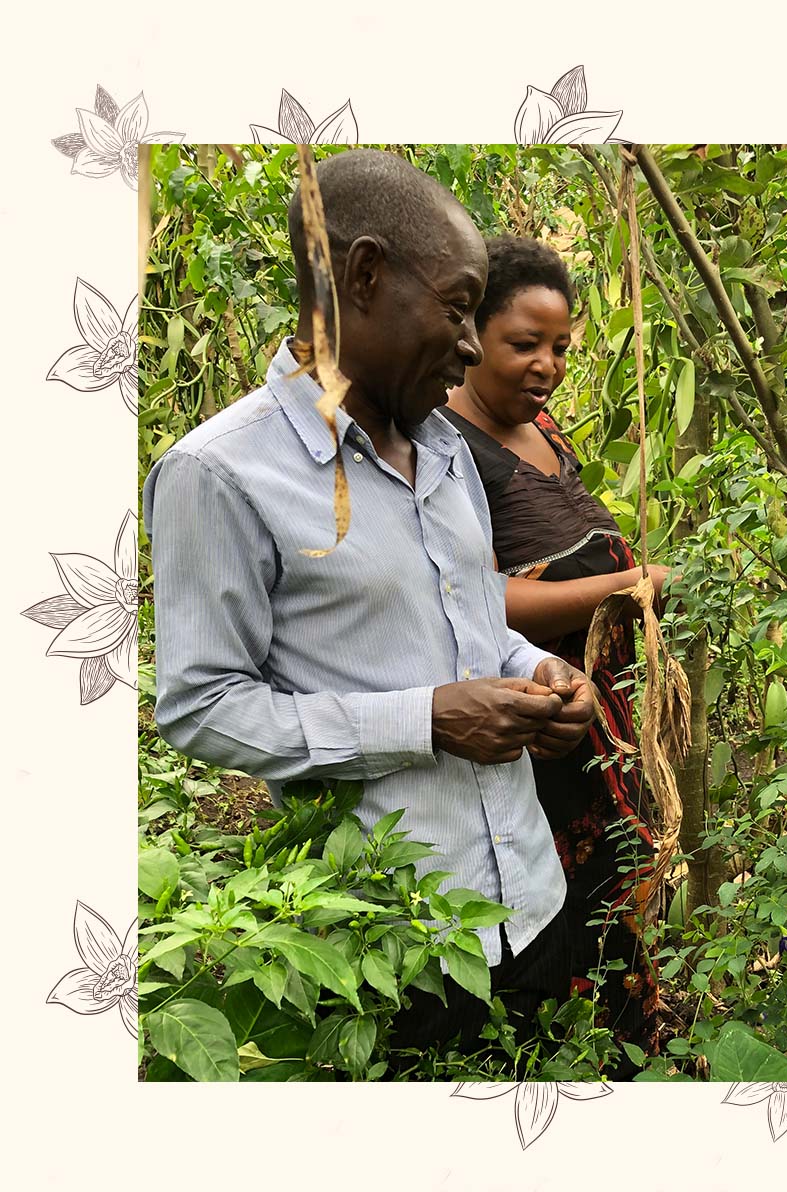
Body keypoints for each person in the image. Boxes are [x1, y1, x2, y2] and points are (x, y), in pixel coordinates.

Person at [142, 150, 596, 1063]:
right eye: (460, 307)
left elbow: (470, 619)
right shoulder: (220, 474)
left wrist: (535, 670)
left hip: (534, 902)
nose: (472, 345)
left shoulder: (447, 448)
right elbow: (201, 707)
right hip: (399, 949)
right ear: (364, 274)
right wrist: (423, 721)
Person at [443, 235, 667, 1064]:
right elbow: (475, 600)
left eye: (561, 347)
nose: (547, 365)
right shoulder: (448, 450)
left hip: (600, 711)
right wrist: (625, 586)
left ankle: (626, 1038)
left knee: (617, 880)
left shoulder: (542, 426)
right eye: (524, 345)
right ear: (470, 337)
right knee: (564, 895)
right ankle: (570, 1058)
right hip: (543, 722)